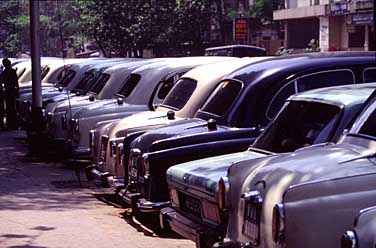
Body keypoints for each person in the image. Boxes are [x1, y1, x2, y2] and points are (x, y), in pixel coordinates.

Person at [0, 58, 19, 129]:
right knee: (11, 108)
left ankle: (11, 123)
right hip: (10, 91)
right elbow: (16, 82)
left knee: (10, 108)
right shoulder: (11, 72)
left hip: (9, 91)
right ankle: (12, 124)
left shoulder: (5, 72)